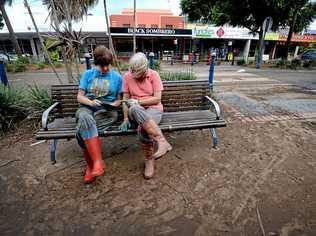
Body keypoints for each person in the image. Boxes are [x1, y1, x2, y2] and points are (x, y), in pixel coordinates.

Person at [119, 52, 172, 179]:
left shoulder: (154, 75)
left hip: (154, 109)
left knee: (143, 128)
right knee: (135, 109)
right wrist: (126, 118)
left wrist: (139, 101)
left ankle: (149, 159)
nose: (134, 75)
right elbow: (125, 99)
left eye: (138, 74)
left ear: (144, 70)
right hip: (134, 110)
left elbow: (157, 99)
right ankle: (162, 141)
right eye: (132, 71)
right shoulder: (127, 76)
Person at [76, 46, 122, 184]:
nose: (105, 69)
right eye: (102, 66)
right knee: (84, 117)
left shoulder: (117, 77)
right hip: (88, 108)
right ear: (96, 63)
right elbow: (79, 97)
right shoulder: (88, 74)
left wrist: (115, 104)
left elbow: (119, 99)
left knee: (83, 128)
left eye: (107, 65)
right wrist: (90, 102)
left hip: (107, 111)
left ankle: (90, 167)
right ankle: (96, 163)